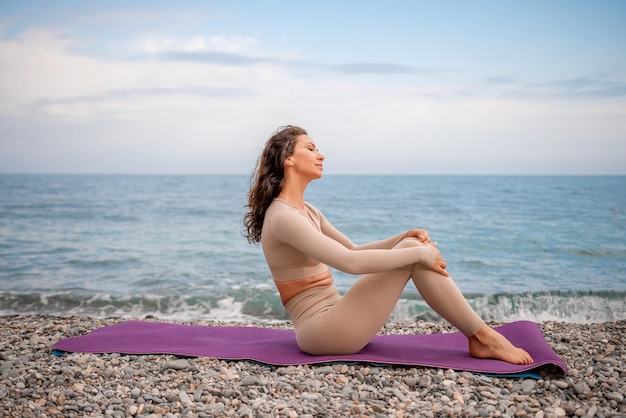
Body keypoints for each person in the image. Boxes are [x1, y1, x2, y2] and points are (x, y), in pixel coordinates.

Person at [244, 125, 533, 365]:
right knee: (413, 254)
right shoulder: (282, 217)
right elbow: (350, 264)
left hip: (339, 317)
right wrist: (419, 253)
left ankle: (481, 335)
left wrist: (403, 237)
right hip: (321, 332)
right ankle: (482, 336)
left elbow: (355, 250)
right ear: (288, 159)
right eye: (311, 148)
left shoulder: (308, 210)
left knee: (410, 247)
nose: (321, 155)